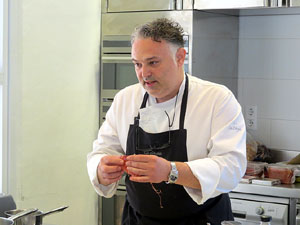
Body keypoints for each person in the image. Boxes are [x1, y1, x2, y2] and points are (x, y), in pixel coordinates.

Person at [87, 18, 246, 225]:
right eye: (137, 64)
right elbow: (102, 150)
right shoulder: (126, 99)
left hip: (201, 220)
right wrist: (101, 168)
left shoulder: (216, 99)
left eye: (153, 62)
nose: (144, 74)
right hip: (139, 220)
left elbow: (231, 168)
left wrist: (171, 172)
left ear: (180, 57)